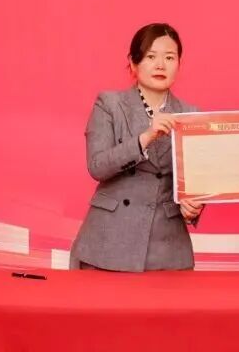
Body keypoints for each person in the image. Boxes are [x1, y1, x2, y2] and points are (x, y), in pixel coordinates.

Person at [70, 23, 203, 271]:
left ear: (179, 64)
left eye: (169, 57)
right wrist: (145, 137)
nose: (160, 65)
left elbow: (196, 181)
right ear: (133, 63)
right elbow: (97, 166)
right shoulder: (109, 104)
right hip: (108, 242)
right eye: (151, 57)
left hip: (167, 247)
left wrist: (194, 206)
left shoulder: (190, 114)